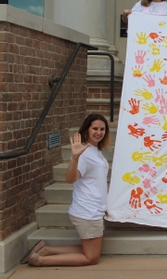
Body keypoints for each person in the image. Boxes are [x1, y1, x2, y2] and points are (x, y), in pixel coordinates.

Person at [26, 114, 111, 267]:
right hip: (87, 211)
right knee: (91, 258)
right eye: (95, 128)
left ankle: (46, 250)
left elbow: (97, 184)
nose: (99, 132)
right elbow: (71, 179)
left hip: (94, 209)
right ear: (86, 130)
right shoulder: (83, 153)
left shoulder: (95, 151)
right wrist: (74, 158)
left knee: (91, 250)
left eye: (102, 129)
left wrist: (104, 205)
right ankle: (40, 260)